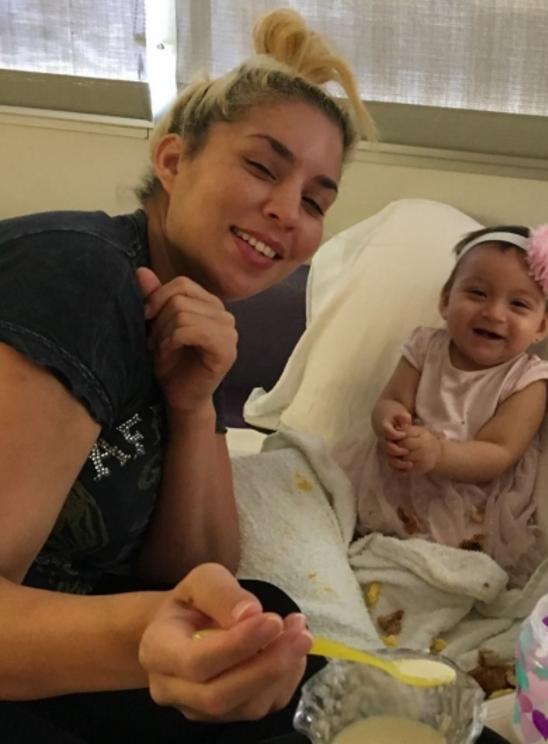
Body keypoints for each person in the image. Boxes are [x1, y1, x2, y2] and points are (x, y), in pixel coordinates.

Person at [0, 8, 374, 743]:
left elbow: (195, 569)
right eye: (263, 167)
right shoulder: (79, 277)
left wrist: (195, 406)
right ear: (173, 162)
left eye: (315, 200)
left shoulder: (183, 323)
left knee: (260, 621)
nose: (284, 211)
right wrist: (145, 637)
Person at [335, 224, 548, 584]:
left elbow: (499, 453)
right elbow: (391, 399)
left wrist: (439, 455)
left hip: (467, 496)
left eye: (518, 304)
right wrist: (390, 421)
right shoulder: (425, 347)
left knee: (441, 566)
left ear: (542, 325)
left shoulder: (528, 380)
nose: (494, 313)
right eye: (477, 293)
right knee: (336, 506)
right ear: (445, 301)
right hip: (395, 472)